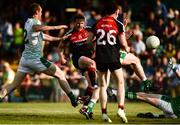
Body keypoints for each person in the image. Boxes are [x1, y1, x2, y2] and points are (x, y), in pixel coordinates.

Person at [0, 3, 78, 107]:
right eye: (40, 11)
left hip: (25, 60)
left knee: (13, 85)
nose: (41, 13)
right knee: (60, 74)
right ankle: (73, 99)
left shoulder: (27, 22)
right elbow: (37, 28)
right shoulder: (34, 22)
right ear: (36, 12)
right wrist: (57, 27)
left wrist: (59, 39)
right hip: (35, 59)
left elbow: (43, 36)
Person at [86, 2, 130, 123]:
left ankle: (104, 114)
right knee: (120, 82)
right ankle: (120, 108)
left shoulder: (97, 23)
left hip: (100, 58)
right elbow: (123, 44)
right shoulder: (118, 24)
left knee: (102, 86)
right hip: (113, 57)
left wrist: (94, 50)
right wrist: (127, 47)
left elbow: (88, 41)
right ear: (116, 12)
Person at [59, 14, 99, 118]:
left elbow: (100, 33)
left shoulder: (89, 29)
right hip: (78, 59)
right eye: (77, 23)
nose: (79, 25)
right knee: (92, 65)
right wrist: (62, 58)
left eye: (81, 23)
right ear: (74, 23)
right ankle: (95, 85)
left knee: (90, 87)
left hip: (88, 61)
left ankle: (85, 108)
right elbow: (60, 47)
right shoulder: (70, 34)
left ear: (84, 23)